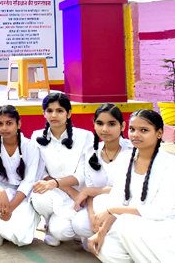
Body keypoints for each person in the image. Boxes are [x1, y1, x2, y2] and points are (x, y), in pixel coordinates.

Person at [88, 110, 175, 263]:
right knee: (106, 250)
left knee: (125, 224)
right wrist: (101, 232)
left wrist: (112, 210)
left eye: (144, 130)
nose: (135, 135)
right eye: (132, 129)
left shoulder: (172, 165)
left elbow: (160, 211)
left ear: (159, 133)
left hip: (166, 229)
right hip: (135, 225)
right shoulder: (125, 159)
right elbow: (117, 198)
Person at [30, 93, 94, 246]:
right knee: (40, 199)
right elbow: (40, 171)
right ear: (44, 113)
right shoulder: (36, 136)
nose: (54, 115)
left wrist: (73, 191)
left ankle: (66, 225)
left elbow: (84, 173)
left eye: (59, 111)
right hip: (53, 191)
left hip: (79, 193)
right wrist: (65, 189)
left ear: (69, 113)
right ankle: (48, 223)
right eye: (49, 110)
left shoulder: (85, 136)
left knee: (67, 231)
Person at [0, 105, 41, 247]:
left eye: (9, 123)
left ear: (19, 124)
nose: (4, 128)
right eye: (0, 124)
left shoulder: (31, 147)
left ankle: (3, 227)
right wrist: (0, 191)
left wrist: (10, 208)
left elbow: (29, 181)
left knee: (20, 238)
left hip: (22, 195)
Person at [72, 104, 133, 247]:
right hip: (98, 206)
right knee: (79, 224)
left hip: (125, 206)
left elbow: (129, 190)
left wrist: (90, 191)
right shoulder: (90, 152)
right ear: (94, 125)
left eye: (111, 124)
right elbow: (90, 191)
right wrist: (92, 216)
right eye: (100, 123)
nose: (105, 129)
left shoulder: (132, 151)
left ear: (122, 126)